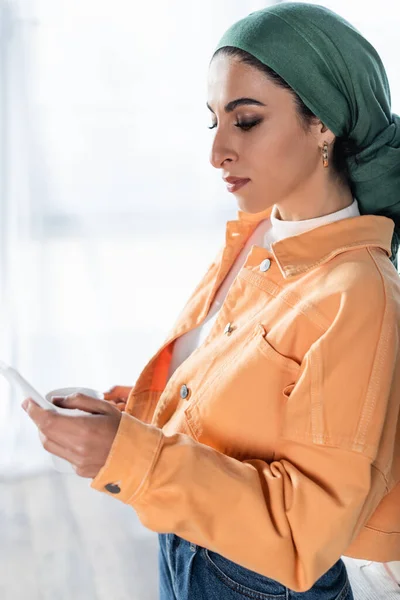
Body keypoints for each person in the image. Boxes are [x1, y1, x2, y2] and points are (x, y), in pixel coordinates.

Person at [23, 3, 400, 599]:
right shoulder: (254, 239)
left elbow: (305, 533)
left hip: (257, 581)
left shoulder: (359, 292)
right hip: (190, 545)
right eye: (213, 122)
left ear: (323, 123)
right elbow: (231, 414)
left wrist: (131, 459)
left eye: (245, 121)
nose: (217, 151)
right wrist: (123, 429)